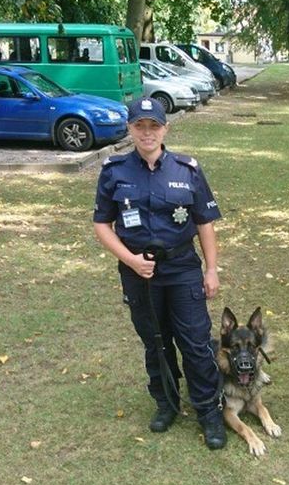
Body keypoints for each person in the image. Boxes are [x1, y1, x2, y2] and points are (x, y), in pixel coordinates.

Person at [93, 97, 227, 450]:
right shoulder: (114, 171)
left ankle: (209, 412)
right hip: (139, 271)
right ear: (131, 129)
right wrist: (131, 260)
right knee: (155, 341)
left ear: (165, 128)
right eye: (140, 126)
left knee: (197, 343)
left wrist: (211, 269)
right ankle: (166, 403)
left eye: (154, 126)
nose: (147, 132)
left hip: (182, 268)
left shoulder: (187, 170)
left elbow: (205, 223)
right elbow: (102, 225)